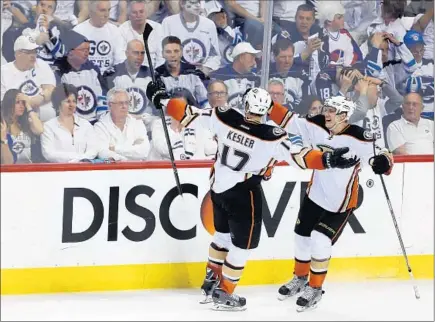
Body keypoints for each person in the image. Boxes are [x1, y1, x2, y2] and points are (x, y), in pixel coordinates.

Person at [146, 81, 359, 311]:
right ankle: (226, 290)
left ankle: (210, 280)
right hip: (244, 195)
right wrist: (327, 160)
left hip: (217, 190)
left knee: (221, 236)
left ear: (245, 104)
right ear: (267, 109)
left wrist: (162, 98)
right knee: (241, 246)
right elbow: (301, 158)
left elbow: (186, 113)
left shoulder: (223, 116)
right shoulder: (271, 136)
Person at [267, 95, 394, 311]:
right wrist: (268, 105)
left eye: (332, 111)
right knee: (301, 237)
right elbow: (288, 120)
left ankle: (315, 289)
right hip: (314, 195)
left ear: (344, 115)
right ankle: (300, 278)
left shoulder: (359, 136)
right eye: (326, 109)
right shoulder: (316, 124)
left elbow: (381, 155)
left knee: (319, 240)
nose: (326, 113)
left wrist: (383, 162)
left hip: (340, 204)